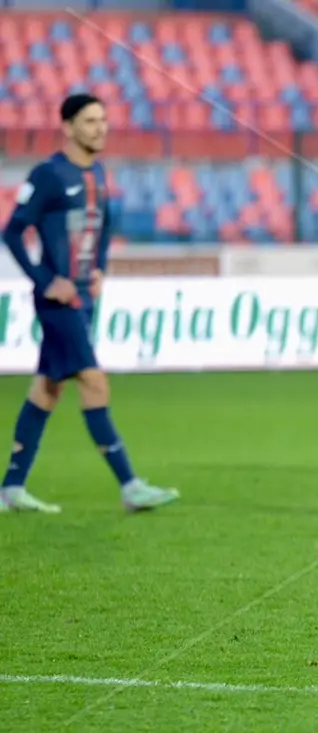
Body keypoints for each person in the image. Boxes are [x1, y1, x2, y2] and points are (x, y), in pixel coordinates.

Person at [0, 93, 178, 514]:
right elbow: (11, 232)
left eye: (103, 120)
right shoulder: (48, 175)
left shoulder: (96, 172)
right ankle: (130, 485)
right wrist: (46, 281)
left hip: (84, 298)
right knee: (95, 382)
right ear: (67, 127)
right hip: (58, 304)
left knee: (47, 388)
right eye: (90, 121)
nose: (100, 128)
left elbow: (104, 224)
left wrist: (99, 269)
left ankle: (11, 487)